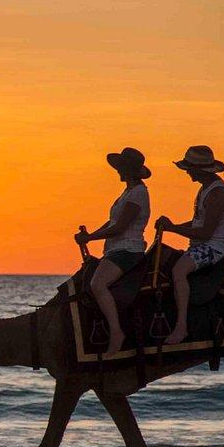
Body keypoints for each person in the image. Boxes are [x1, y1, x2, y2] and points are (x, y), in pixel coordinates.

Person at [74, 147, 151, 356]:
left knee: (97, 284)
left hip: (128, 250)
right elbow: (112, 222)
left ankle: (117, 332)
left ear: (127, 171)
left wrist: (90, 238)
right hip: (116, 249)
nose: (118, 172)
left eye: (121, 169)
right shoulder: (128, 192)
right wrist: (90, 235)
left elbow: (120, 227)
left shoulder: (138, 193)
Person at [155, 145, 224, 345]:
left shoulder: (217, 194)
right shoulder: (206, 189)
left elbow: (205, 232)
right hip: (202, 245)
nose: (187, 172)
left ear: (200, 169)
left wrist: (172, 228)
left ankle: (181, 327)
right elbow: (197, 222)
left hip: (213, 248)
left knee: (179, 270)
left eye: (189, 168)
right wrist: (171, 226)